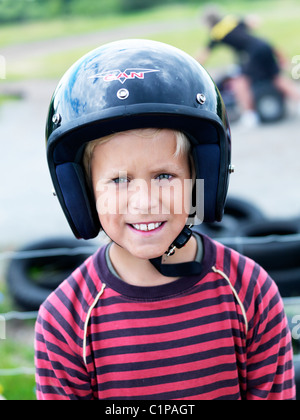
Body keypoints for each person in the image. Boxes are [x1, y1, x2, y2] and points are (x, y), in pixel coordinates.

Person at [35, 39, 295, 400]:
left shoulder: (250, 292)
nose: (144, 202)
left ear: (202, 177)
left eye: (164, 176)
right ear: (81, 193)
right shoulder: (65, 320)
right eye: (119, 180)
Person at [198, 5, 300, 126]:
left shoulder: (216, 33)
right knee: (277, 78)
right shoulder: (230, 20)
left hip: (253, 52)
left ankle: (249, 115)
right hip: (264, 45)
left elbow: (204, 55)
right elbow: (253, 22)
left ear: (208, 23)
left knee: (240, 80)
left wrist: (196, 66)